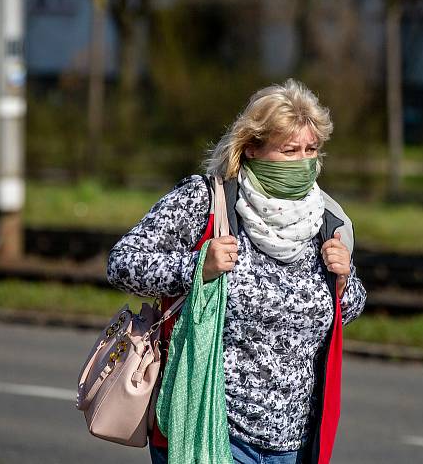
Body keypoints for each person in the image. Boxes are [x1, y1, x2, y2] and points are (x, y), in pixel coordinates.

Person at [106, 78, 367, 464]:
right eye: (290, 150)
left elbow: (345, 310)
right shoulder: (206, 201)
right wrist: (197, 266)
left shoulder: (326, 220)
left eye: (311, 150)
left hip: (293, 445)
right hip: (209, 431)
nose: (303, 162)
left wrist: (345, 282)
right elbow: (122, 262)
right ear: (252, 149)